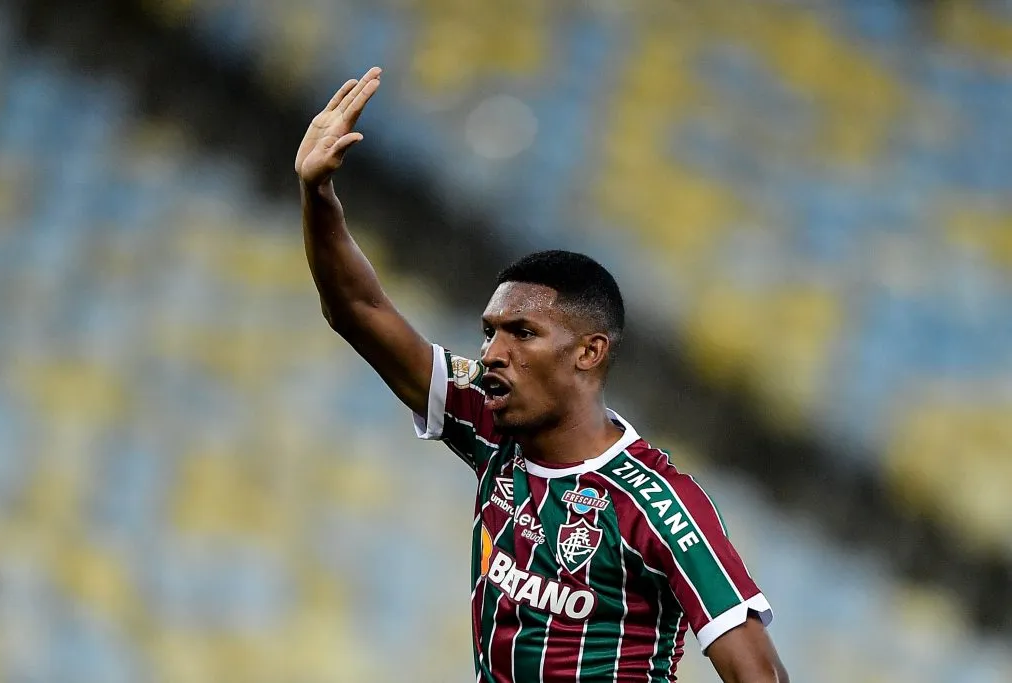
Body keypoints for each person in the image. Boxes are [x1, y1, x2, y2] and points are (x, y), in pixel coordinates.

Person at [295, 66, 789, 683]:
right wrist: (318, 198)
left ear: (589, 352)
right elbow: (358, 310)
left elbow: (760, 676)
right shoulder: (489, 424)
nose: (494, 352)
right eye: (490, 331)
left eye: (521, 332)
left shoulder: (659, 507)